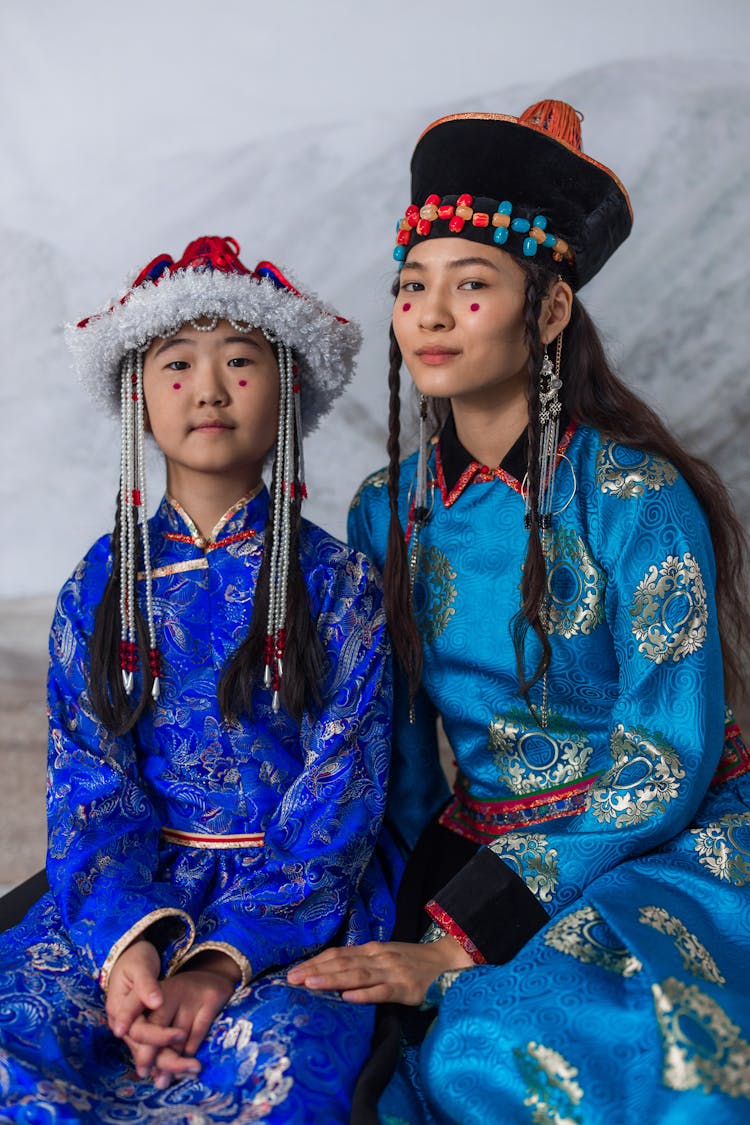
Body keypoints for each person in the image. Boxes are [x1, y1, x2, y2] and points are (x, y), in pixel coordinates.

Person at [288, 103, 750, 1122]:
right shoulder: (385, 509)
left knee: (509, 1048)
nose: (433, 315)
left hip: (654, 840)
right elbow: (400, 747)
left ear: (546, 315)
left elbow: (661, 764)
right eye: (414, 287)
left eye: (472, 286)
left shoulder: (634, 497)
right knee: (333, 1030)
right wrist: (380, 908)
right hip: (477, 838)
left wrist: (455, 940)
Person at [0, 235, 395, 1124]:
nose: (208, 388)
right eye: (176, 363)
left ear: (289, 390)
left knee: (284, 1067)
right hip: (131, 896)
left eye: (241, 362)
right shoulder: (101, 587)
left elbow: (342, 796)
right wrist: (131, 953)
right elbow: (90, 785)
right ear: (139, 396)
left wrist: (220, 962)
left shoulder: (337, 585)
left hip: (293, 902)